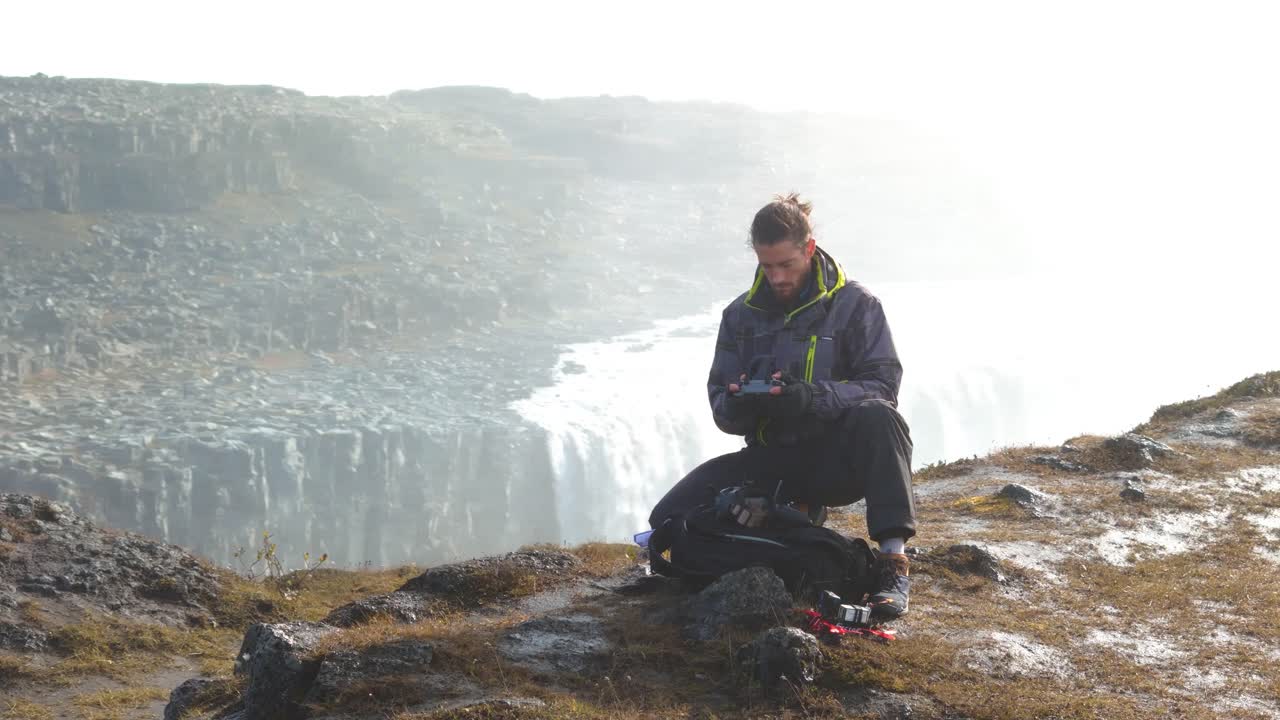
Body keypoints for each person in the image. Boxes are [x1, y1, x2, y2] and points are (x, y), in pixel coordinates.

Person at [648, 193, 917, 619]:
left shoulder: (856, 306)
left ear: (808, 248)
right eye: (766, 266)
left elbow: (883, 386)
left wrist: (811, 397)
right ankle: (790, 525)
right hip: (769, 463)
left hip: (834, 461)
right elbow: (720, 406)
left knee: (881, 419)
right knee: (665, 518)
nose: (776, 277)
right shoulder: (739, 316)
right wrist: (742, 402)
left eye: (786, 264)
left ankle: (890, 564)